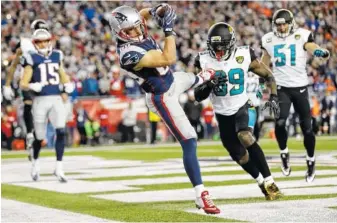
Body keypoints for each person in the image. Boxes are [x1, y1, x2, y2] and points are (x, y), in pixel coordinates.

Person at [109, 3, 220, 214]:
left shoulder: (136, 26)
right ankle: (200, 194)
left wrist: (155, 10)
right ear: (119, 33)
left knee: (200, 76)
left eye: (136, 27)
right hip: (161, 96)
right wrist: (168, 29)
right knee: (189, 140)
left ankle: (200, 80)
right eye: (129, 30)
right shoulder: (128, 53)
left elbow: (140, 15)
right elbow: (169, 58)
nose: (135, 32)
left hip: (171, 79)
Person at [194, 22, 282, 201]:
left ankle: (270, 180)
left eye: (222, 47)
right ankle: (260, 182)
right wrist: (209, 84)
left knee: (245, 136)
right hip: (222, 113)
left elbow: (269, 76)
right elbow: (197, 95)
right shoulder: (202, 60)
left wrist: (273, 96)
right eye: (214, 47)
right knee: (238, 155)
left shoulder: (244, 55)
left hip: (243, 105)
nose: (218, 52)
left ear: (231, 44)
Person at [261, 9, 330, 182]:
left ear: (290, 23)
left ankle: (311, 159)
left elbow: (310, 46)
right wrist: (260, 79)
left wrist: (319, 51)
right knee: (280, 122)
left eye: (284, 23)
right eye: (278, 24)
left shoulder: (301, 35)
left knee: (307, 128)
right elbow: (264, 63)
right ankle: (284, 154)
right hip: (281, 87)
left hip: (300, 88)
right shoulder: (269, 39)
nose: (282, 27)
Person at [20, 29, 74, 182]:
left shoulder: (57, 55)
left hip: (56, 98)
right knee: (40, 136)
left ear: (50, 41)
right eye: (39, 42)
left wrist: (67, 85)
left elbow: (62, 74)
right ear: (34, 43)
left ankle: (59, 167)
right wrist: (32, 86)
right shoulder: (30, 57)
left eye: (45, 41)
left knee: (61, 131)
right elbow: (23, 83)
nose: (43, 44)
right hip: (40, 100)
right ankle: (35, 164)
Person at [3, 19, 50, 160]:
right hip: (28, 80)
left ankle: (34, 135)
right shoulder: (25, 44)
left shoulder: (49, 46)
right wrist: (7, 84)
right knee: (28, 104)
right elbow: (14, 62)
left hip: (43, 81)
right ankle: (29, 134)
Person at [246, 73, 264, 141]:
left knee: (254, 121)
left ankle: (256, 137)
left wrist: (259, 95)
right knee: (247, 121)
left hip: (255, 102)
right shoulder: (244, 75)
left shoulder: (258, 77)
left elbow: (261, 89)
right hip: (246, 102)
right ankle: (251, 136)